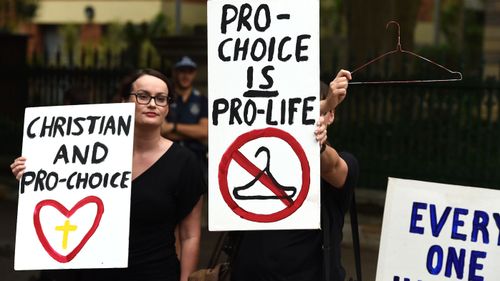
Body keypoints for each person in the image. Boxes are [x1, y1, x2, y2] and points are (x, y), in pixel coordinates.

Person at [10, 68, 205, 281]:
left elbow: (190, 235)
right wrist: (34, 174)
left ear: (167, 108)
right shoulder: (86, 155)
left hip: (153, 272)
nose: (152, 104)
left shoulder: (184, 163)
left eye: (161, 99)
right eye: (142, 96)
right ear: (124, 102)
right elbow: (60, 197)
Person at [230, 69, 358, 281]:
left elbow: (331, 166)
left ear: (331, 115)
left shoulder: (342, 162)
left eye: (313, 107)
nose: (301, 118)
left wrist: (318, 144)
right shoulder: (257, 157)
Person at [161, 56, 208, 181]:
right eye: (182, 71)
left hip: (196, 158)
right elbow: (159, 131)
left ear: (195, 73)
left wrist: (173, 127)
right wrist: (193, 132)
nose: (186, 75)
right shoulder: (165, 98)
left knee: (196, 196)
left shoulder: (202, 100)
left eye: (190, 71)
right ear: (175, 72)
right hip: (167, 157)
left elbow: (204, 132)